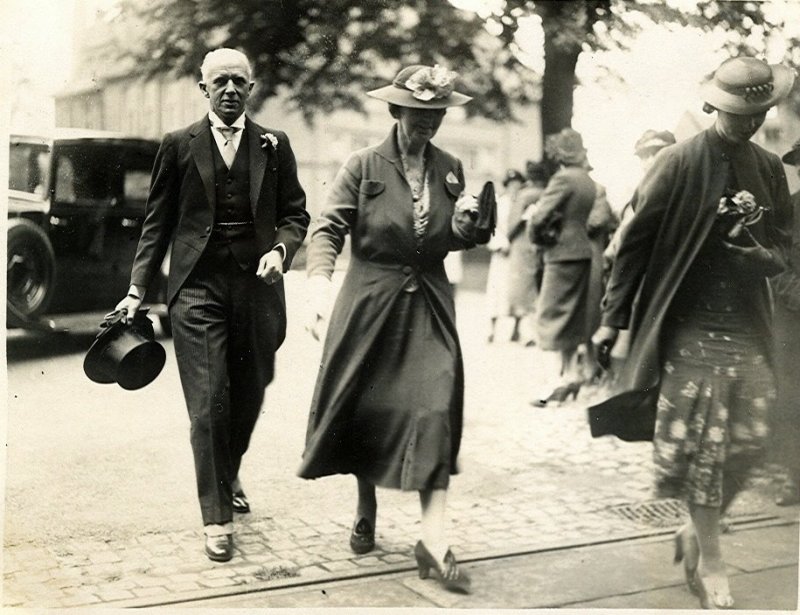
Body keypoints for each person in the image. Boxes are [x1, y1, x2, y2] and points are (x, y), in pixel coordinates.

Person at [591, 57, 794, 608]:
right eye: (738, 113)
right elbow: (632, 245)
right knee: (706, 437)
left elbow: (784, 244)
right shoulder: (677, 162)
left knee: (755, 435)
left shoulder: (770, 168)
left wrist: (763, 257)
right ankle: (713, 557)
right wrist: (613, 320)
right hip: (686, 321)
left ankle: (694, 530)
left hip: (747, 320)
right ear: (714, 106)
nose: (748, 123)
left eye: (758, 113)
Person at [114, 48, 310, 562]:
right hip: (197, 289)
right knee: (208, 404)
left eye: (238, 82)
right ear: (203, 88)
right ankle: (217, 517)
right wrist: (137, 289)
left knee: (249, 395)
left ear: (251, 88)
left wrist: (280, 250)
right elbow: (157, 223)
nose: (229, 89)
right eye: (219, 81)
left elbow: (296, 215)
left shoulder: (275, 144)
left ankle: (227, 470)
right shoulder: (179, 145)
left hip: (257, 287)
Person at [299, 64, 480, 594]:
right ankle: (366, 502)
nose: (428, 124)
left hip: (428, 302)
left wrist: (469, 229)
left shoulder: (450, 168)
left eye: (437, 115)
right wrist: (316, 286)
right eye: (419, 114)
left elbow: (454, 235)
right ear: (396, 111)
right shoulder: (362, 165)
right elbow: (328, 227)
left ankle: (434, 542)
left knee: (435, 409)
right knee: (368, 408)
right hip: (371, 302)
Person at [527, 129, 596, 406]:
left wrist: (536, 235)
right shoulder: (587, 180)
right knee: (570, 318)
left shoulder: (564, 178)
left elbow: (541, 215)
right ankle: (570, 375)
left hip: (560, 253)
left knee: (549, 317)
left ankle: (553, 383)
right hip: (582, 250)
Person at [602, 129, 676, 377]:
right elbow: (621, 241)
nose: (648, 161)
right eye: (644, 156)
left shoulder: (674, 191)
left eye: (655, 154)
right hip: (637, 278)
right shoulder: (640, 192)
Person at [769, 137, 800, 506]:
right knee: (792, 398)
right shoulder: (788, 211)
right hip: (793, 320)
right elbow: (774, 264)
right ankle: (795, 478)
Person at [506, 162, 549, 344]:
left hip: (522, 244)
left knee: (522, 289)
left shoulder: (524, 196)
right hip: (543, 245)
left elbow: (511, 225)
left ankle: (529, 333)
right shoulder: (548, 194)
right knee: (539, 287)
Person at [486, 168, 523, 343]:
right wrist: (501, 244)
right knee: (496, 290)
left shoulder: (521, 204)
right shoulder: (500, 203)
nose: (514, 187)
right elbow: (493, 228)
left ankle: (516, 330)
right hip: (501, 253)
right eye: (511, 184)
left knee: (516, 290)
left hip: (516, 254)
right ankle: (493, 330)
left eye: (517, 184)